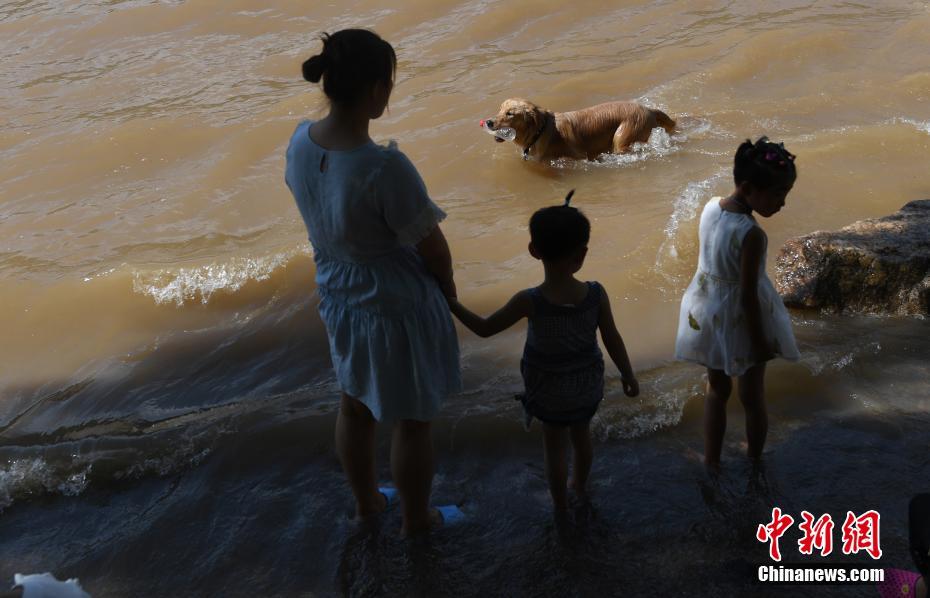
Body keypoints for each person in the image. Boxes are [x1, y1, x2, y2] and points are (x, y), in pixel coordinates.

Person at [285, 29, 462, 535]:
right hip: (394, 304)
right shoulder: (384, 168)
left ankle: (367, 506)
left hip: (339, 295)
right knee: (413, 419)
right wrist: (448, 293)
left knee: (354, 405)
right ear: (375, 90)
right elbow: (433, 248)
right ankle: (417, 520)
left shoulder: (300, 142)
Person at [447, 191, 639, 512]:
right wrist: (628, 375)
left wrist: (452, 303)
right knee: (582, 437)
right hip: (585, 386)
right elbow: (612, 338)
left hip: (547, 390)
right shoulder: (595, 294)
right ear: (582, 254)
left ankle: (560, 505)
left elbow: (484, 328)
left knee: (554, 448)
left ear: (533, 250)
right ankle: (580, 487)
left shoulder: (530, 300)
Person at [674, 137, 800, 471]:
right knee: (752, 396)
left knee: (716, 390)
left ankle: (711, 460)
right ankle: (754, 459)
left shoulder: (711, 207)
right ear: (747, 188)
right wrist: (759, 341)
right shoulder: (752, 234)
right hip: (740, 319)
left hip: (708, 309)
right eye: (778, 194)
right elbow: (747, 294)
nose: (782, 203)